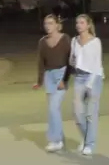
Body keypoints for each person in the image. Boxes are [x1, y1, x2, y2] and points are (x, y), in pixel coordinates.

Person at [33, 14, 71, 152]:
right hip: (49, 76)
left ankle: (56, 140)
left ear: (57, 25)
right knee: (52, 109)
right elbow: (41, 63)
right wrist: (39, 81)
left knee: (54, 108)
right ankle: (58, 136)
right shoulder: (42, 42)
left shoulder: (65, 39)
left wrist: (64, 80)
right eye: (45, 24)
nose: (47, 26)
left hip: (61, 73)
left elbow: (71, 60)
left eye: (50, 23)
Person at [71, 13, 104, 156]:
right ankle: (86, 138)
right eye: (77, 23)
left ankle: (89, 144)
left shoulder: (95, 41)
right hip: (79, 77)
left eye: (82, 23)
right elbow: (72, 60)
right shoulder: (74, 41)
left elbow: (97, 64)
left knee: (91, 113)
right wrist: (73, 63)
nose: (79, 25)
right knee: (78, 113)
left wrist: (90, 84)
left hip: (94, 78)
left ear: (88, 25)